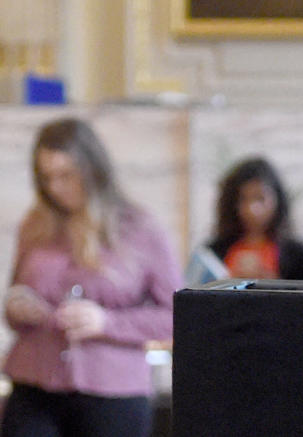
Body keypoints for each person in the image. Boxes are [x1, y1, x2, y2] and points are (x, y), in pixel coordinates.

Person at [1, 117, 181, 437]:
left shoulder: (141, 228)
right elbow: (14, 302)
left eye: (66, 175)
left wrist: (106, 322)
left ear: (93, 169)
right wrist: (18, 306)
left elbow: (176, 316)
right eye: (47, 178)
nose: (56, 188)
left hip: (113, 391)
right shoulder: (35, 224)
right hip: (33, 383)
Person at [205, 157, 303, 281]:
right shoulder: (211, 253)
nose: (252, 209)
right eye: (243, 199)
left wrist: (271, 283)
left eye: (260, 198)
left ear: (277, 200)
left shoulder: (302, 256)